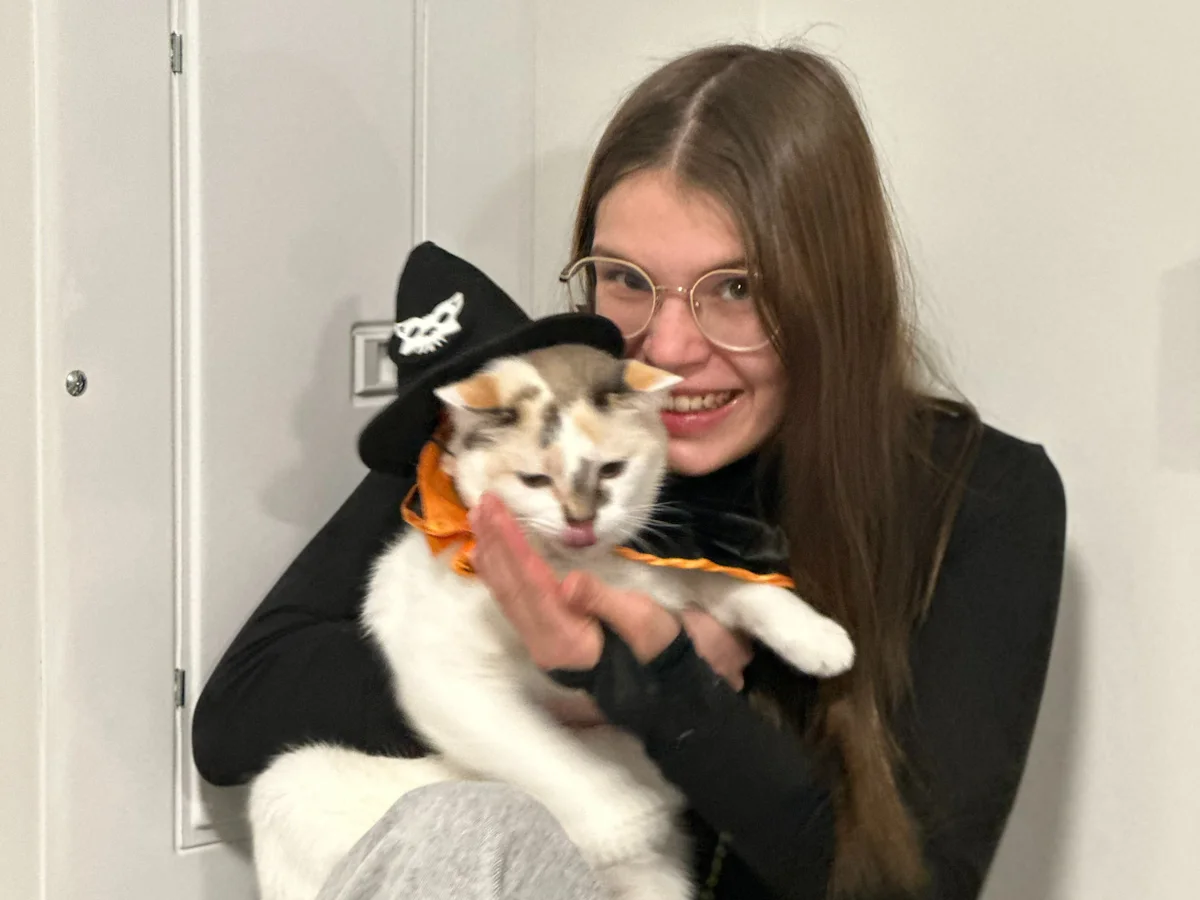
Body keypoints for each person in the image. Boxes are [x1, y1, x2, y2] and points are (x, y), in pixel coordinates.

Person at [193, 42, 1067, 900]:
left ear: (831, 293)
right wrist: (560, 689)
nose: (673, 350)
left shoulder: (979, 499)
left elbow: (909, 890)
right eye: (626, 280)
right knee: (460, 826)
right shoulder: (541, 414)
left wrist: (665, 687)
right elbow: (242, 711)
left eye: (738, 289)